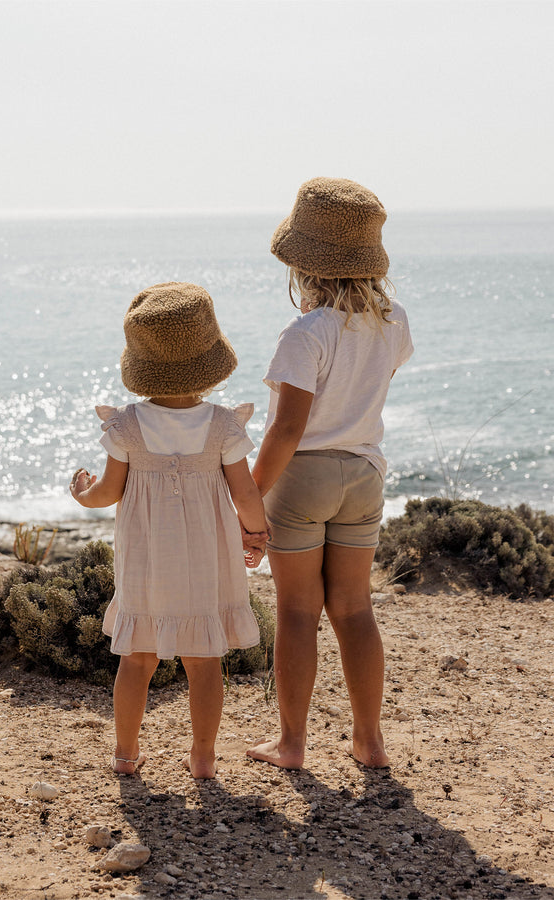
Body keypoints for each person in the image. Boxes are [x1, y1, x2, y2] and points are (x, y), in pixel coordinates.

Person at [245, 178, 414, 770]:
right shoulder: (394, 322)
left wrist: (248, 500)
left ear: (304, 266)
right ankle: (369, 742)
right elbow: (368, 398)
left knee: (296, 611)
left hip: (303, 479)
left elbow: (286, 432)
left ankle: (292, 744)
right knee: (354, 607)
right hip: (364, 474)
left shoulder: (305, 334)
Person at [70, 282, 268, 779]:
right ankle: (202, 759)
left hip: (146, 558)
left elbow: (110, 492)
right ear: (210, 360)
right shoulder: (223, 425)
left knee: (136, 658)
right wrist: (257, 534)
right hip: (208, 557)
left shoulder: (128, 425)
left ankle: (125, 755)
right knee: (204, 659)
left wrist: (82, 493)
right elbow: (245, 493)